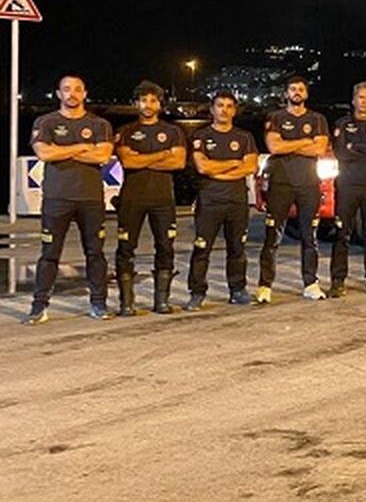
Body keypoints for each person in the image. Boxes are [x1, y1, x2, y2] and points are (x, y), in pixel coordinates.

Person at [23, 75, 115, 324]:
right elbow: (44, 153)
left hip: (90, 200)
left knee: (95, 253)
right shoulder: (46, 122)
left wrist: (61, 150)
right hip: (56, 199)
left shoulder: (100, 124)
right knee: (49, 254)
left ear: (84, 93)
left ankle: (98, 304)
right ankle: (39, 307)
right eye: (66, 89)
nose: (72, 94)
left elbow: (103, 156)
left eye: (77, 89)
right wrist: (82, 147)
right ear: (58, 94)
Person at [112, 81, 186, 315]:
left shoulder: (173, 131)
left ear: (160, 104)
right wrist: (163, 154)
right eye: (143, 100)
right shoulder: (125, 131)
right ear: (136, 103)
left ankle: (161, 300)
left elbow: (178, 162)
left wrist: (142, 158)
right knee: (125, 248)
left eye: (153, 100)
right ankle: (126, 302)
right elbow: (127, 161)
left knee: (165, 247)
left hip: (163, 199)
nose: (148, 105)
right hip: (131, 198)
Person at [185, 91, 259, 310]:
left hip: (237, 201)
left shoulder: (244, 137)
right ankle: (197, 292)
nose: (224, 110)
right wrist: (234, 164)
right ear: (212, 109)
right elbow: (202, 167)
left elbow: (251, 166)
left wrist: (217, 170)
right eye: (220, 105)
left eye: (229, 106)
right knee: (202, 249)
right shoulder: (200, 136)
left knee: (237, 248)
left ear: (234, 110)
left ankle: (237, 289)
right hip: (209, 201)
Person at [259, 75, 330, 302]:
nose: (297, 92)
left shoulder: (317, 119)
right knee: (273, 236)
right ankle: (265, 286)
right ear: (286, 93)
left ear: (306, 93)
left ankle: (311, 283)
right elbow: (274, 146)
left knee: (310, 237)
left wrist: (289, 144)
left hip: (308, 184)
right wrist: (305, 141)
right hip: (280, 183)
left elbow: (319, 148)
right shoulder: (275, 117)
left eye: (300, 89)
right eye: (292, 89)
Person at [330, 81, 366, 298]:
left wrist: (355, 146)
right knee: (342, 233)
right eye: (361, 97)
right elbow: (341, 154)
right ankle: (338, 281)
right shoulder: (343, 124)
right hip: (347, 185)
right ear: (353, 100)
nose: (364, 102)